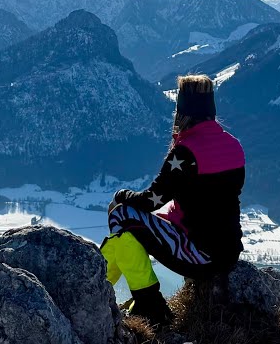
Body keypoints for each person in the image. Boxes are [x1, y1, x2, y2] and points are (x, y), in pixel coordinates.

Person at [101, 73, 246, 330]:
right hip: (228, 251)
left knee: (121, 215)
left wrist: (121, 194)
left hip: (200, 256)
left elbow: (150, 200)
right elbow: (212, 202)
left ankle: (146, 304)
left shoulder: (186, 151)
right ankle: (99, 288)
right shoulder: (234, 145)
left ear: (183, 111)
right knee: (129, 228)